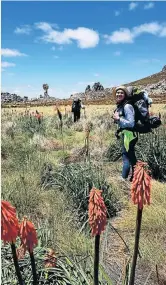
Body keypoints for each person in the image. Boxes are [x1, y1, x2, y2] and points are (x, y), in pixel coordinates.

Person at [113, 86, 138, 181]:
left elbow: (131, 123)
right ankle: (136, 176)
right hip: (126, 133)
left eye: (121, 93)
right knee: (131, 156)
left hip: (129, 135)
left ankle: (123, 179)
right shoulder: (121, 105)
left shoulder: (127, 106)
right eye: (118, 92)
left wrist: (119, 119)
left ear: (125, 95)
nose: (119, 94)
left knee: (126, 157)